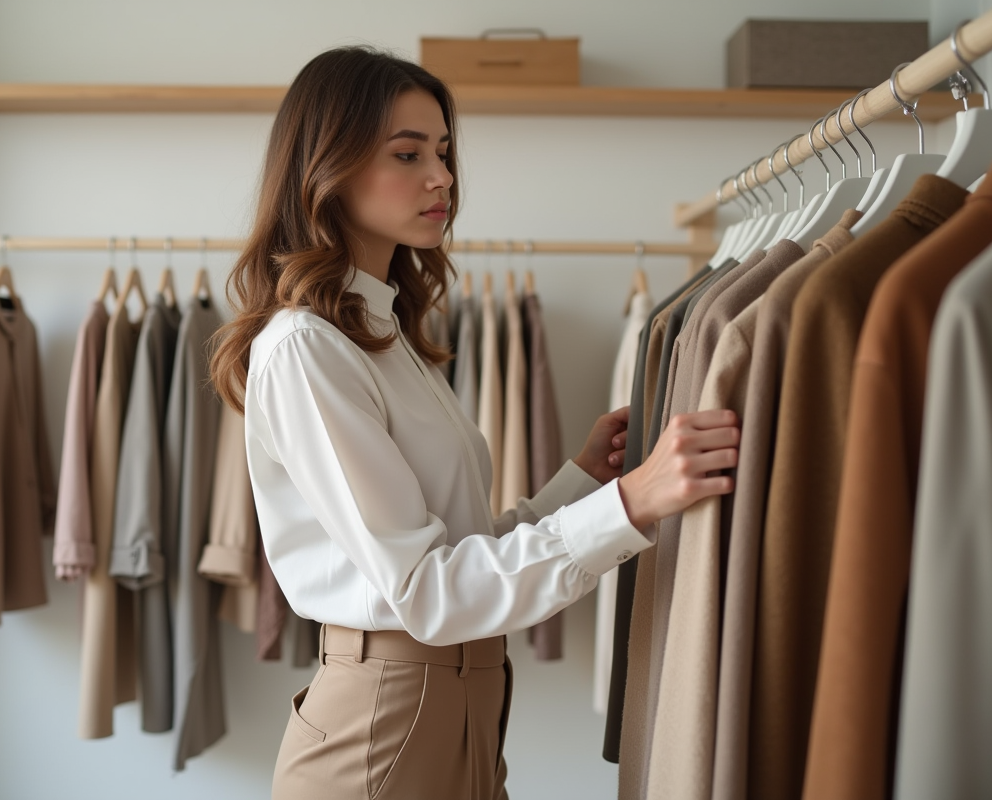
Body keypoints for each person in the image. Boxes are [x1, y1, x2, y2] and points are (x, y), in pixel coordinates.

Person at [209, 46, 740, 800]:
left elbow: (455, 551)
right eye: (408, 153)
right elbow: (428, 591)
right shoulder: (307, 349)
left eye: (445, 152)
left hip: (458, 702)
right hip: (386, 721)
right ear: (327, 165)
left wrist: (582, 483)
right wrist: (631, 504)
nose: (443, 178)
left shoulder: (385, 335)